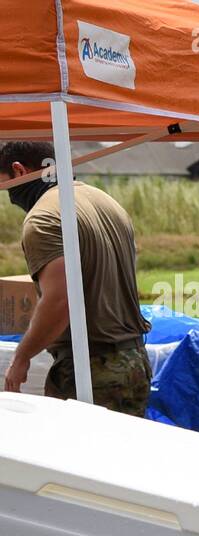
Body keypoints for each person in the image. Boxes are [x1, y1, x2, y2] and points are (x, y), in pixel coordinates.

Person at [1, 140, 151, 415]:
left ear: (19, 171)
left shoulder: (43, 218)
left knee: (73, 455)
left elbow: (61, 301)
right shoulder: (104, 201)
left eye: (4, 184)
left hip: (91, 369)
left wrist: (21, 357)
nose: (7, 194)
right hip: (134, 360)